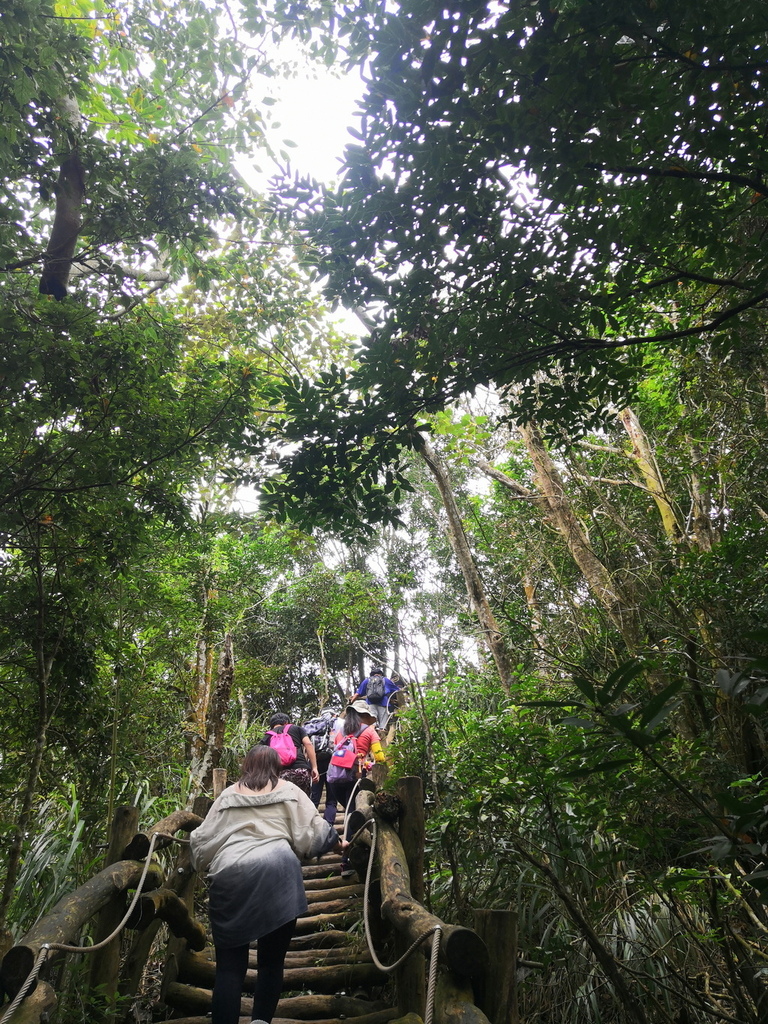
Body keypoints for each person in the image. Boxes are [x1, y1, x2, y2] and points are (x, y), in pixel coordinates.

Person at [189, 745, 344, 1024]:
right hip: (278, 872)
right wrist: (338, 844)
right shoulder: (288, 791)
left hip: (230, 875)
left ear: (246, 765)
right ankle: (260, 1021)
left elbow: (201, 844)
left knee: (229, 969)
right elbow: (314, 829)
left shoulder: (227, 795)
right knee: (271, 963)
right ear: (277, 767)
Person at [327, 699, 386, 876]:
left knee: (351, 814)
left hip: (335, 780)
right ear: (364, 716)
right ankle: (347, 862)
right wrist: (370, 762)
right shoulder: (369, 731)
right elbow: (380, 757)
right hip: (355, 779)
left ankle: (352, 850)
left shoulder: (341, 732)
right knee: (353, 817)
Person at [260, 713, 319, 797]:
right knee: (301, 802)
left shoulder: (268, 735)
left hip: (279, 775)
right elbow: (308, 744)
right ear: (286, 722)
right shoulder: (296, 728)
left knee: (283, 804)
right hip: (300, 770)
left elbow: (259, 754)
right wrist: (314, 767)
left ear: (272, 725)